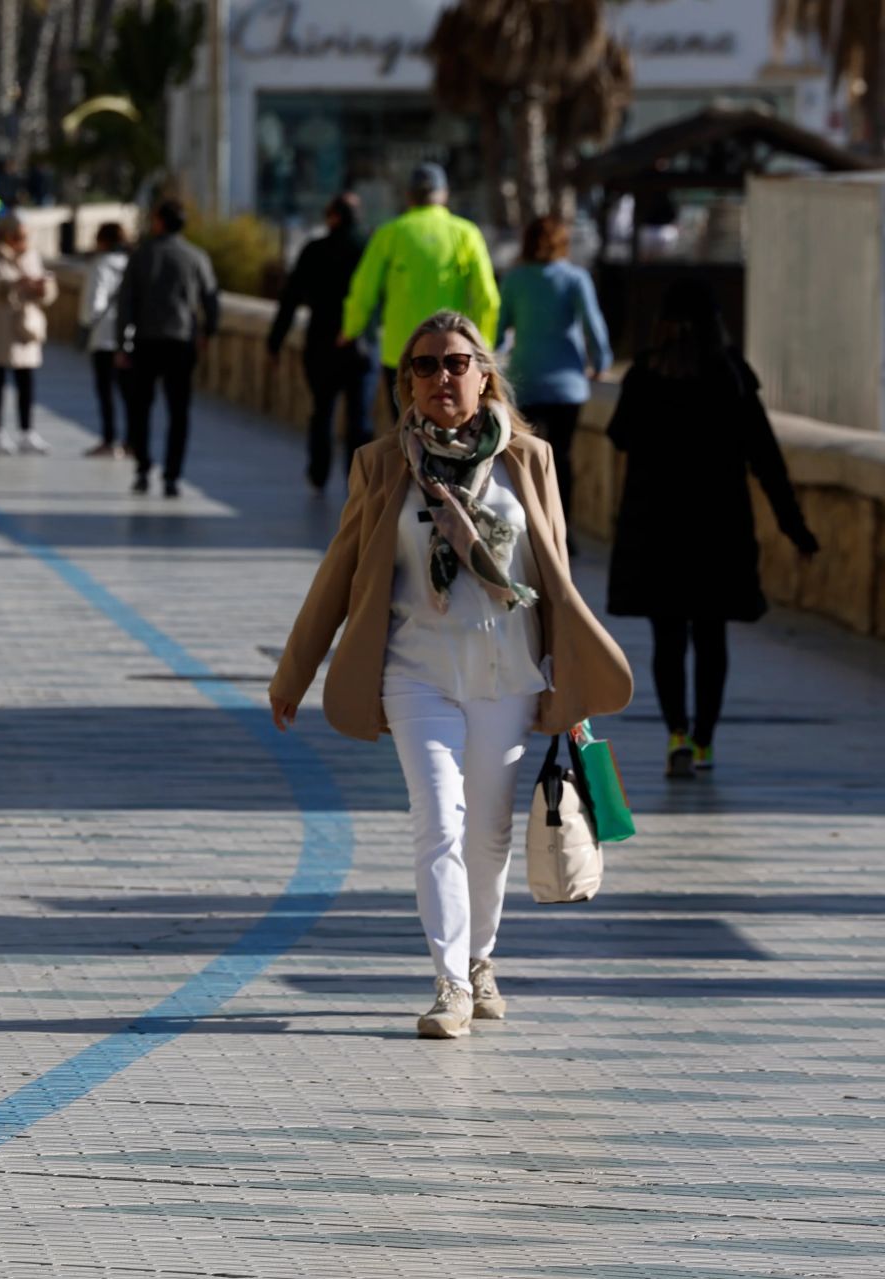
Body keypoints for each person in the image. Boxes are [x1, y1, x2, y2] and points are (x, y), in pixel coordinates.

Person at [268, 311, 631, 1040]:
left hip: (508, 673)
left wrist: (573, 683)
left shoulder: (530, 460)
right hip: (416, 671)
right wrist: (294, 672)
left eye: (457, 363)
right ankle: (451, 983)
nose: (442, 377)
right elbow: (340, 571)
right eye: (426, 365)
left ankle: (481, 958)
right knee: (437, 821)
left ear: (484, 375)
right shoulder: (381, 465)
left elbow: (555, 576)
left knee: (488, 833)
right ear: (407, 382)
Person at [605, 279, 816, 778]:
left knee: (668, 638)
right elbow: (766, 459)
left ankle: (676, 733)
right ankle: (704, 741)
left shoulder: (644, 375)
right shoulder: (731, 377)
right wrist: (795, 528)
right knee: (711, 636)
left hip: (656, 529)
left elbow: (619, 435)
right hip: (718, 530)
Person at [341, 163, 500, 420]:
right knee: (452, 428)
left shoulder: (390, 234)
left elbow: (363, 291)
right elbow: (488, 299)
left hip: (401, 354)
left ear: (409, 196)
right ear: (444, 194)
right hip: (454, 357)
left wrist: (350, 329)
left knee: (407, 429)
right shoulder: (466, 234)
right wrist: (483, 349)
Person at [497, 215, 612, 550]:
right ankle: (563, 531)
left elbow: (499, 330)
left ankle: (529, 528)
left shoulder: (515, 279)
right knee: (561, 457)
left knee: (524, 460)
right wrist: (601, 363)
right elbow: (593, 324)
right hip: (567, 384)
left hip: (525, 380)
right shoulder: (575, 278)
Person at [267, 192, 375, 490]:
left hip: (322, 342)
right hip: (361, 343)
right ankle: (357, 479)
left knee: (322, 410)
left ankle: (318, 472)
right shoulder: (369, 249)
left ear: (333, 217)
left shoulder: (314, 250)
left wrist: (275, 342)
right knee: (359, 417)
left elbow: (290, 299)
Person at [117, 197, 219, 497]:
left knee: (140, 408)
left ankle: (142, 467)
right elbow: (211, 298)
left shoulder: (142, 255)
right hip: (181, 342)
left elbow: (126, 302)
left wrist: (123, 342)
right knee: (179, 411)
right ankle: (172, 475)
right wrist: (208, 331)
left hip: (146, 342)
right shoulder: (196, 256)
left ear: (160, 221)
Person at [0, 215, 57, 456]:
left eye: (24, 236)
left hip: (24, 326)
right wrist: (13, 283)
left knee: (26, 380)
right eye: (16, 236)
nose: (21, 241)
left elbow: (47, 291)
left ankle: (27, 431)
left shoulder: (31, 255)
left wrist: (42, 287)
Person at [79, 221, 131, 458]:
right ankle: (131, 442)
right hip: (128, 336)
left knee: (106, 392)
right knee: (129, 393)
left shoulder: (100, 265)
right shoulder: (131, 264)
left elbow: (93, 304)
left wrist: (86, 324)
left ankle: (109, 441)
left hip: (103, 336)